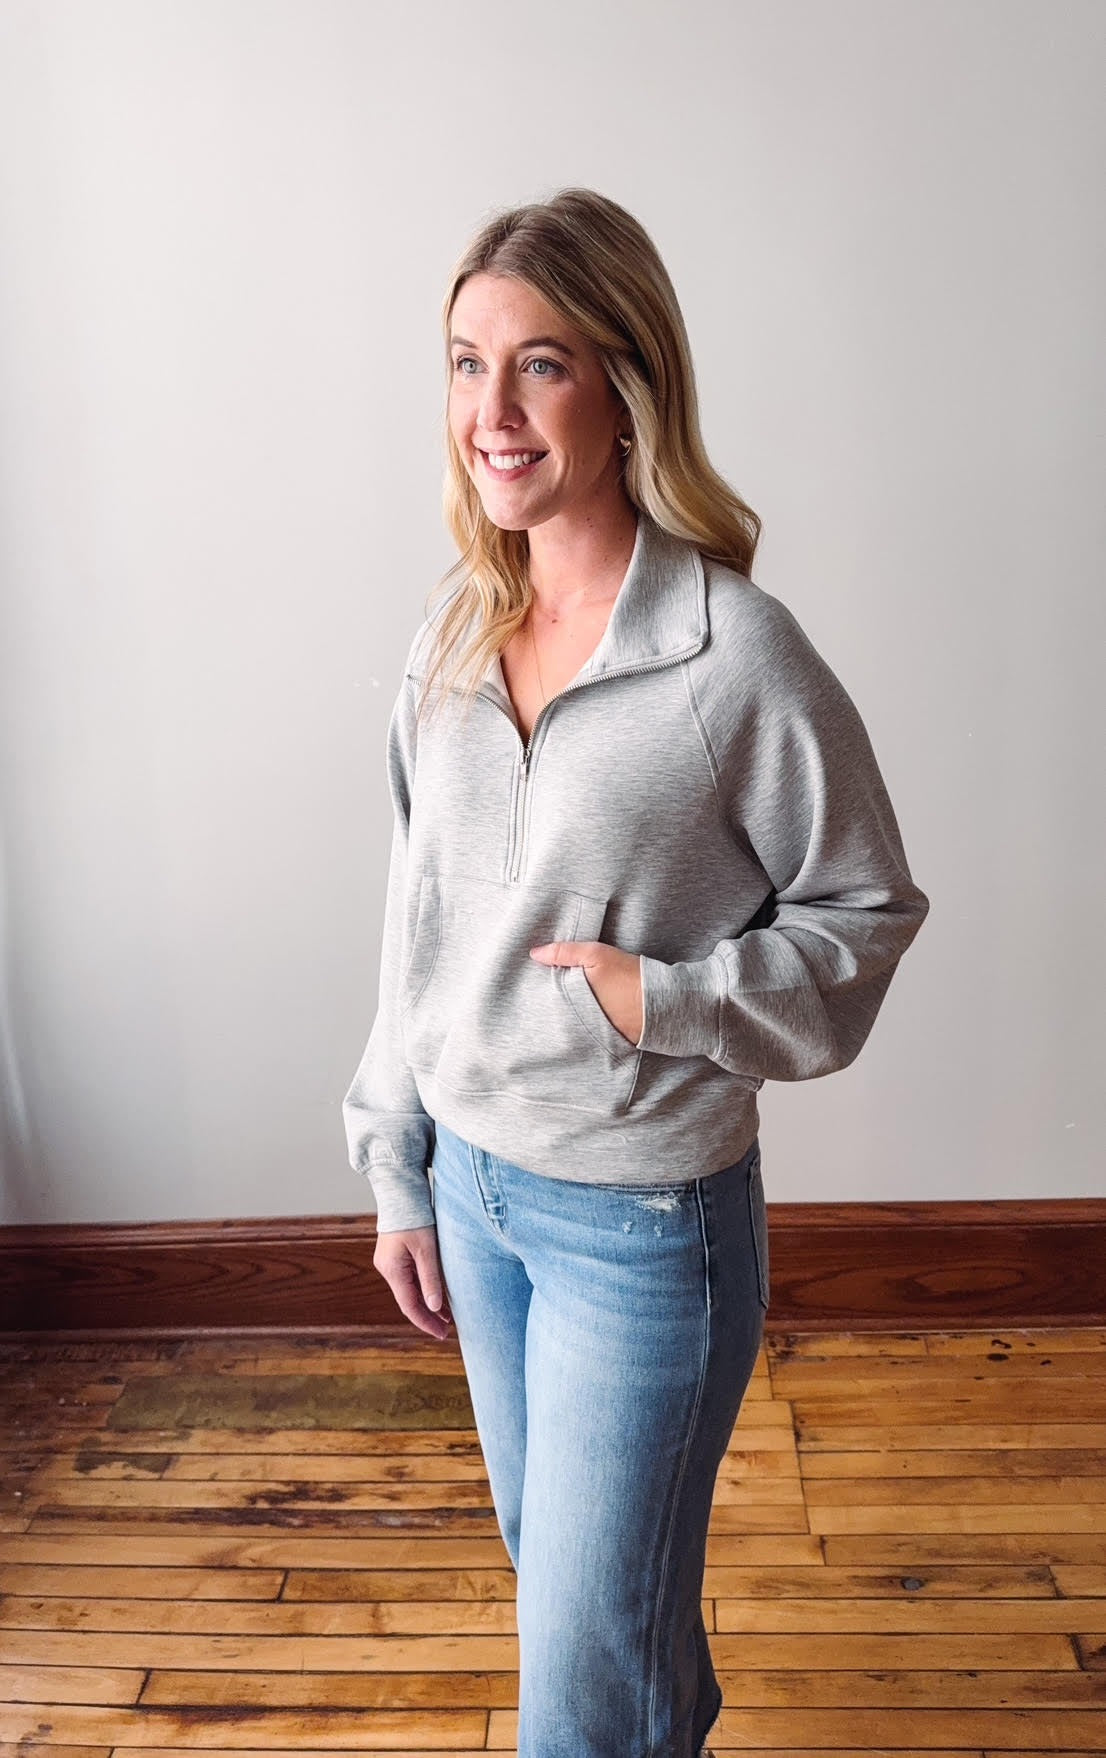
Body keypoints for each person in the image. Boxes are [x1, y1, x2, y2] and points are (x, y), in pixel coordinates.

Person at [342, 186, 929, 1758]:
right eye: (465, 363)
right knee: (587, 1610)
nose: (491, 409)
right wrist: (398, 1163)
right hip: (475, 1190)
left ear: (624, 383)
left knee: (583, 1672)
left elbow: (864, 912)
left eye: (537, 364)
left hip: (639, 1224)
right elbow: (417, 918)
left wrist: (664, 997)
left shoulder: (735, 657)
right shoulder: (454, 634)